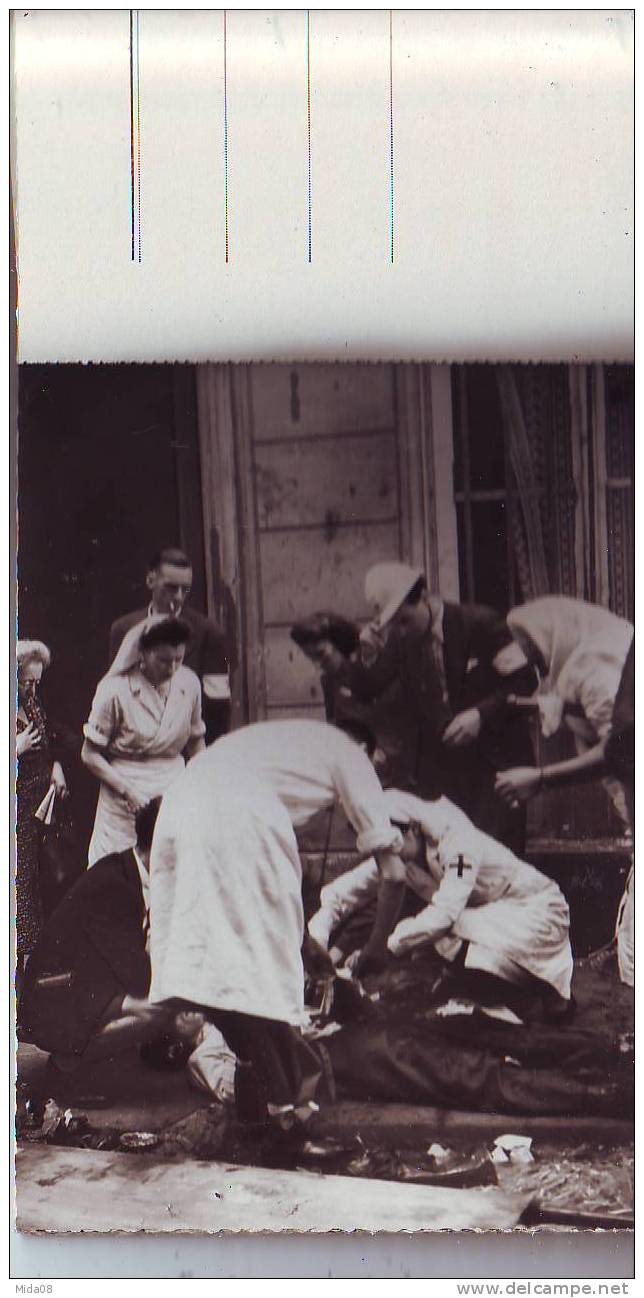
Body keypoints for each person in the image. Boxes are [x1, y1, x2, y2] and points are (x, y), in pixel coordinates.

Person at [148, 718, 405, 1135]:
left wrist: (304, 945)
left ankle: (257, 1107)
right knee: (263, 981)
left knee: (208, 971)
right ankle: (287, 1117)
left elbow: (270, 892)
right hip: (234, 808)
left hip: (182, 803)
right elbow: (393, 873)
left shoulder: (285, 745)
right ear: (366, 748)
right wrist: (378, 947)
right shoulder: (352, 755)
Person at [346, 562, 537, 853]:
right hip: (448, 777)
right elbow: (367, 688)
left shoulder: (480, 623)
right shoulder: (400, 640)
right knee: (457, 864)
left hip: (496, 769)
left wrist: (479, 715)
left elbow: (524, 681)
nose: (400, 631)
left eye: (405, 620)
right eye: (392, 624)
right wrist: (362, 651)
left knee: (500, 863)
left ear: (424, 596)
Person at [494, 595, 634, 985]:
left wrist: (540, 778)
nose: (539, 670)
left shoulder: (597, 666)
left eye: (538, 657)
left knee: (634, 953)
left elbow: (620, 751)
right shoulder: (589, 658)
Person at [18, 799, 190, 1074]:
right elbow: (134, 972)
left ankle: (93, 1046)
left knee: (171, 1004)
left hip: (74, 987)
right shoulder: (115, 885)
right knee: (164, 1012)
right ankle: (68, 1061)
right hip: (54, 999)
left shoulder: (125, 869)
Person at [82, 617, 206, 866]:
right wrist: (127, 791)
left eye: (178, 660)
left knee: (174, 870)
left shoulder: (189, 683)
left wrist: (202, 783)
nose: (171, 669)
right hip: (124, 798)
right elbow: (89, 754)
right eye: (163, 660)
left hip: (173, 791)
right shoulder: (115, 691)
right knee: (119, 873)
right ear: (142, 653)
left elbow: (195, 741)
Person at [109, 546, 230, 742]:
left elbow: (217, 708)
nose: (179, 597)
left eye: (185, 589)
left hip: (187, 753)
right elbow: (113, 694)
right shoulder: (123, 630)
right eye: (171, 588)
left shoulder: (209, 633)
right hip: (133, 749)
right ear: (151, 580)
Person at [290, 612, 416, 787]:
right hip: (361, 770)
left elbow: (401, 717)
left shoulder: (371, 666)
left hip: (402, 768)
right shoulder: (329, 681)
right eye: (311, 658)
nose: (317, 665)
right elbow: (337, 728)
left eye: (321, 655)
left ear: (338, 643)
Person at [16, 640, 69, 965]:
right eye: (27, 682)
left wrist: (56, 767)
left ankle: (35, 956)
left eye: (37, 682)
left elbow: (52, 739)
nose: (33, 689)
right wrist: (15, 747)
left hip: (39, 809)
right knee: (19, 882)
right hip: (14, 812)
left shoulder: (33, 705)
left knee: (39, 880)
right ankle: (20, 958)